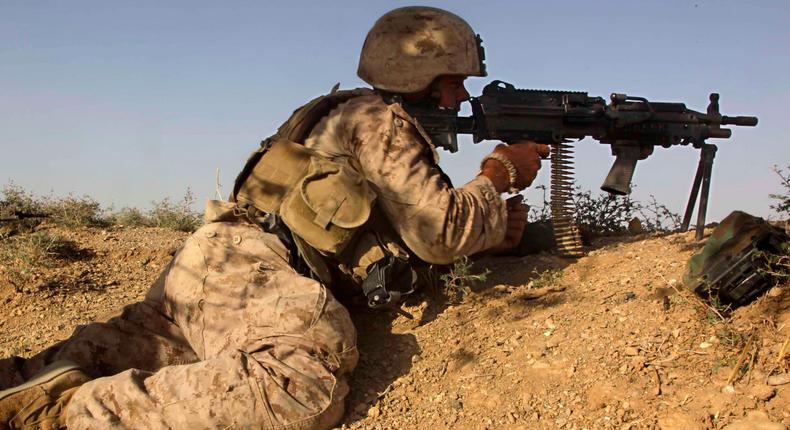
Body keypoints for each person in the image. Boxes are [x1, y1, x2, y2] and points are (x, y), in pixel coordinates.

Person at [0, 6, 548, 429]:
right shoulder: (381, 122)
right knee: (298, 382)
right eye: (454, 80)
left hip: (210, 263)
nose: (462, 94)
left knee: (123, 348)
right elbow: (438, 233)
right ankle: (73, 415)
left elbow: (395, 227)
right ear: (418, 76)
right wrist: (500, 171)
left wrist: (492, 233)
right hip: (257, 272)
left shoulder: (342, 111)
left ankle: (26, 387)